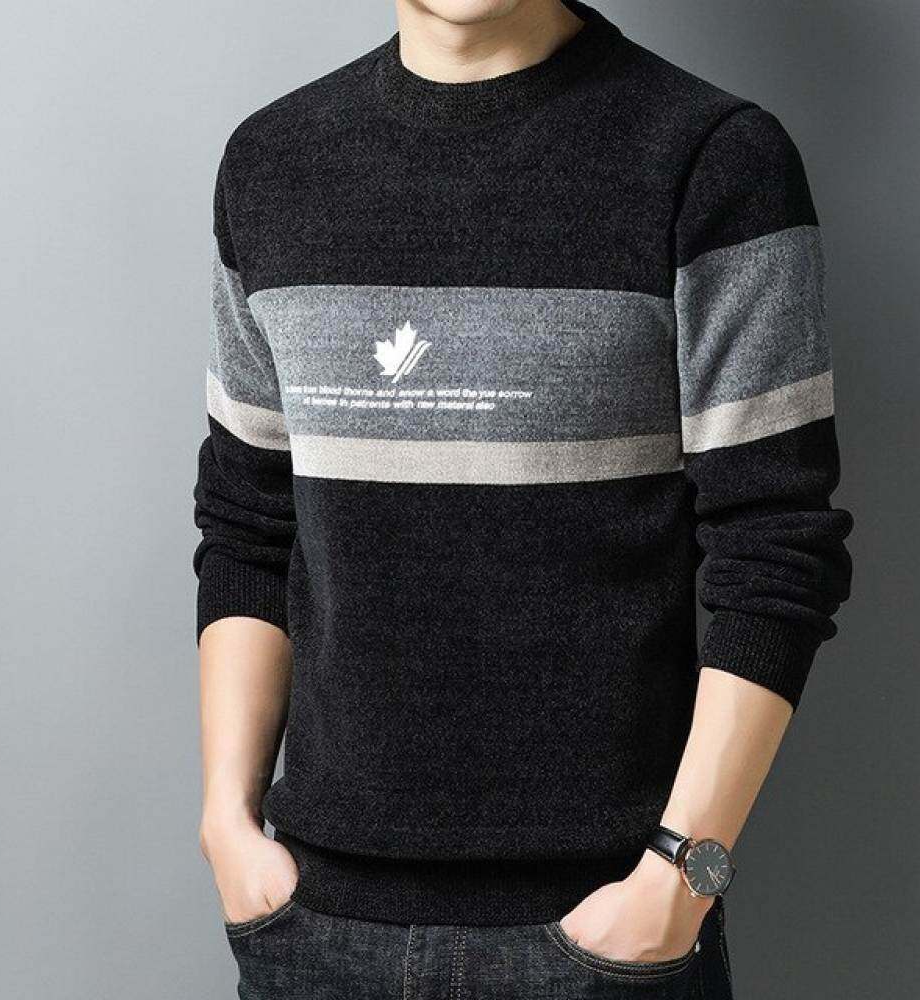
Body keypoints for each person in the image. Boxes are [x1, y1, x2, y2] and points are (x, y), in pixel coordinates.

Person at [193, 1, 854, 996]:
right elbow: (248, 522)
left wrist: (681, 874)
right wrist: (226, 820)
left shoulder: (711, 157)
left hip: (602, 934)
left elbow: (777, 548)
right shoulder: (272, 163)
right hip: (315, 928)